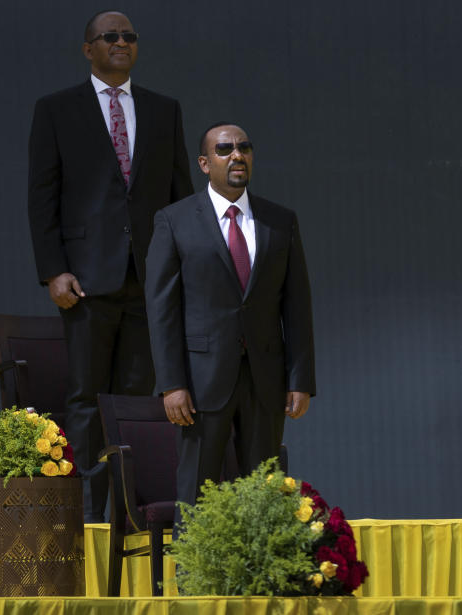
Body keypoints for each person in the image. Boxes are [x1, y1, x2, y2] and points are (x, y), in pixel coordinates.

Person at [27, 10, 193, 521]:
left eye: (129, 36)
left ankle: (126, 511)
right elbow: (42, 196)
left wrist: (183, 268)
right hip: (85, 279)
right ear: (88, 49)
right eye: (109, 36)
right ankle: (87, 515)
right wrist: (53, 269)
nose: (121, 42)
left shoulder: (164, 109)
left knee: (137, 399)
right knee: (85, 399)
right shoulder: (57, 109)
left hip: (149, 280)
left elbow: (179, 195)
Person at [144, 122, 316, 519]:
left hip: (265, 377)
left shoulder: (280, 221)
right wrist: (171, 384)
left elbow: (297, 305)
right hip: (200, 381)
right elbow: (162, 309)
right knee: (197, 491)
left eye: (244, 148)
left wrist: (300, 379)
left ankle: (259, 581)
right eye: (224, 150)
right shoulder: (174, 221)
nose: (236, 155)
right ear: (204, 163)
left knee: (264, 493)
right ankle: (191, 582)